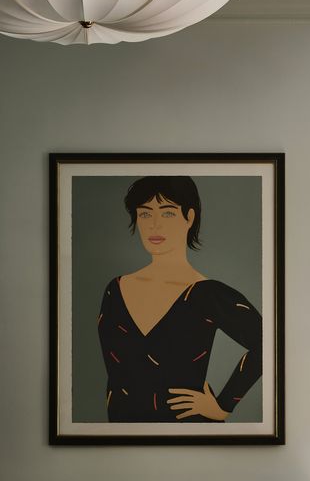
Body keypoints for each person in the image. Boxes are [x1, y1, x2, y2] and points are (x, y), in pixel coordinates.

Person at [97, 175, 261, 423]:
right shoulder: (115, 290)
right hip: (123, 435)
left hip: (191, 433)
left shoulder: (208, 294)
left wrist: (222, 406)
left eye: (168, 213)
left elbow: (270, 342)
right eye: (145, 214)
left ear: (189, 217)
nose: (154, 225)